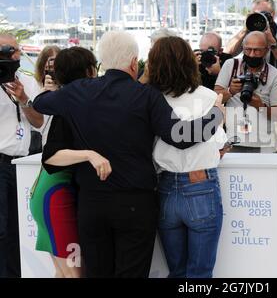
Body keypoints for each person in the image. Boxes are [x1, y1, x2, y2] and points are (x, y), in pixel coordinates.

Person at [32, 31, 224, 278]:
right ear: (134, 63)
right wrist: (216, 115)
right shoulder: (146, 96)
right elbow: (180, 137)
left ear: (102, 63)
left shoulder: (79, 91)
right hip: (135, 203)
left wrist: (60, 92)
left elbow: (40, 103)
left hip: (91, 202)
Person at [150, 36, 227, 278]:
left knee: (177, 271)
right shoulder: (207, 97)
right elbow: (221, 145)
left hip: (163, 186)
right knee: (200, 274)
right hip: (200, 184)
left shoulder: (149, 97)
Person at [30, 47, 108, 278]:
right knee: (75, 274)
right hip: (56, 195)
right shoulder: (68, 106)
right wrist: (89, 154)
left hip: (50, 192)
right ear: (90, 71)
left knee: (64, 273)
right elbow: (51, 156)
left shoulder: (63, 101)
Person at [0, 33, 44, 278]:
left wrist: (25, 99)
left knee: (23, 229)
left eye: (14, 50)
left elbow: (39, 123)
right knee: (2, 229)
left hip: (24, 165)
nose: (12, 55)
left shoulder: (28, 81)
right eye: (5, 51)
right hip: (1, 162)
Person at [215, 31, 277, 153]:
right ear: (242, 48)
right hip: (233, 140)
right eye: (248, 49)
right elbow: (215, 99)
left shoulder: (275, 75)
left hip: (264, 142)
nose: (252, 54)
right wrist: (230, 91)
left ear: (266, 50)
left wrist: (260, 106)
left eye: (257, 50)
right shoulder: (231, 66)